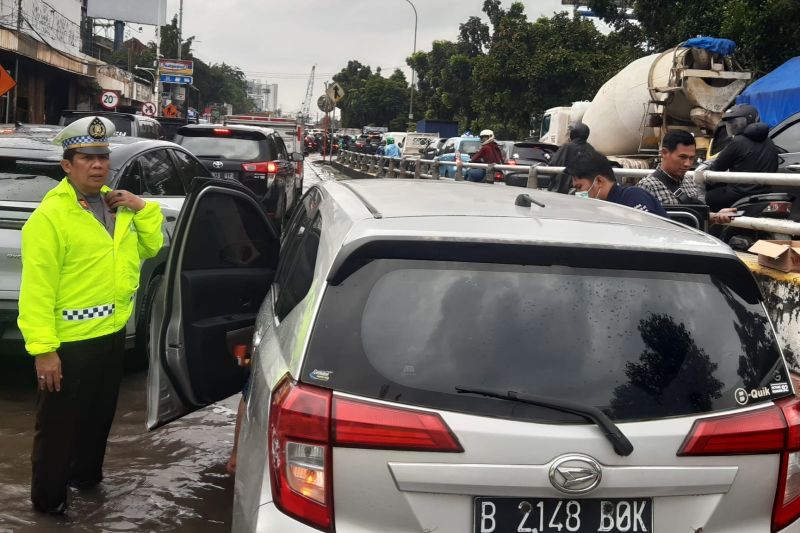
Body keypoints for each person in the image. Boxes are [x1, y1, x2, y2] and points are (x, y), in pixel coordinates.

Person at [18, 116, 164, 515]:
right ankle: (48, 507)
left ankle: (87, 485)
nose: (98, 165)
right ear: (68, 165)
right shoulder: (50, 219)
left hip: (111, 334)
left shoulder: (118, 207)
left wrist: (143, 208)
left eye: (103, 157)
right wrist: (44, 349)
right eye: (87, 158)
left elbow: (152, 249)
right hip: (69, 344)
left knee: (98, 420)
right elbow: (36, 291)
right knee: (57, 432)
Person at [636, 131, 735, 225]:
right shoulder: (646, 187)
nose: (688, 164)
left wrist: (716, 216)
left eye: (691, 158)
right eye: (682, 157)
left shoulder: (689, 181)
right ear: (664, 153)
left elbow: (695, 217)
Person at [706, 104, 780, 211]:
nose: (734, 127)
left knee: (710, 196)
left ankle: (712, 226)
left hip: (739, 194)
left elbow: (717, 168)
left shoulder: (737, 142)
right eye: (731, 124)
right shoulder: (769, 141)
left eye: (738, 123)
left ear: (750, 121)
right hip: (766, 192)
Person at [566, 148, 668, 216]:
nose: (577, 193)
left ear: (599, 181)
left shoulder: (633, 197)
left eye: (579, 187)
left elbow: (646, 237)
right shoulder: (602, 208)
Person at [548, 122, 591, 193]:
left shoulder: (567, 147)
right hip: (584, 190)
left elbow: (553, 165)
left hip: (562, 190)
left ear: (574, 133)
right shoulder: (590, 149)